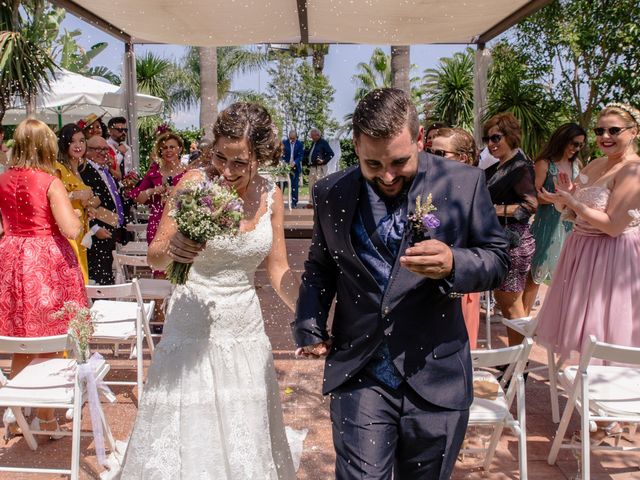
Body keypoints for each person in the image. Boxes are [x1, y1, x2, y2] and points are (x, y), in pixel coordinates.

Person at [294, 88, 509, 479]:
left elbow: (498, 259)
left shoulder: (465, 183)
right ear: (355, 145)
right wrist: (309, 324)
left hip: (437, 372)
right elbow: (320, 266)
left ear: (420, 138)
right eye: (371, 163)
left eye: (399, 161)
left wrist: (454, 263)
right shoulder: (329, 192)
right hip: (361, 369)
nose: (387, 176)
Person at [118, 102, 300, 479]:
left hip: (244, 327)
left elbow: (278, 267)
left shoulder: (272, 195)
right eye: (221, 157)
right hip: (192, 320)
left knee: (243, 424)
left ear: (261, 158)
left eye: (240, 162)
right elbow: (156, 251)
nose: (227, 171)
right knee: (190, 422)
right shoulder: (194, 181)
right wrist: (176, 246)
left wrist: (308, 311)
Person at [0, 119, 87, 439]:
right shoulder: (50, 182)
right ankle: (46, 419)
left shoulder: (3, 179)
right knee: (49, 340)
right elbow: (71, 229)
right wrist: (76, 215)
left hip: (10, 258)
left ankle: (18, 409)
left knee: (20, 339)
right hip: (45, 263)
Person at [536, 103, 640, 355]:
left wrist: (574, 203)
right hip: (581, 250)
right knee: (579, 327)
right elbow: (573, 213)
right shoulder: (594, 165)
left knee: (603, 326)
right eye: (599, 131)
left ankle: (601, 388)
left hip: (611, 256)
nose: (605, 137)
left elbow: (614, 226)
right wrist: (566, 199)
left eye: (614, 130)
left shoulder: (633, 170)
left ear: (634, 132)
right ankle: (580, 386)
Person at [483, 112, 538, 347]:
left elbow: (530, 205)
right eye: (488, 139)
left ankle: (519, 364)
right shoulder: (498, 167)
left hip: (515, 244)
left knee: (512, 306)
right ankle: (516, 361)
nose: (491, 144)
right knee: (505, 303)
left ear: (511, 136)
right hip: (502, 242)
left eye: (496, 138)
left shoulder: (520, 167)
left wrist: (492, 209)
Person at [522, 123, 586, 314]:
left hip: (568, 226)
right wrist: (551, 198)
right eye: (574, 143)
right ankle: (524, 327)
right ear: (562, 140)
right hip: (545, 225)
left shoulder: (577, 165)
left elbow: (579, 194)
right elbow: (532, 194)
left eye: (581, 145)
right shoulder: (544, 163)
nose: (576, 148)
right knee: (535, 277)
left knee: (566, 278)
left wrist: (570, 199)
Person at [431, 127, 481, 349]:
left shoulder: (474, 192)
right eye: (430, 152)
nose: (432, 159)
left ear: (462, 158)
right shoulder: (431, 185)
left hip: (460, 279)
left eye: (440, 154)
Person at [55, 123, 101, 283]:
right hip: (67, 234)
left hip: (81, 233)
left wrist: (88, 207)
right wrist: (77, 195)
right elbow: (52, 198)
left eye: (82, 141)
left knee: (81, 277)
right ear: (64, 143)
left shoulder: (79, 170)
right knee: (72, 278)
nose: (78, 145)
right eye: (72, 141)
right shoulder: (58, 168)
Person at [81, 135, 129, 285]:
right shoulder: (84, 170)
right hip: (97, 234)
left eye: (105, 149)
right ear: (87, 151)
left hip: (110, 229)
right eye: (97, 149)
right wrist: (94, 228)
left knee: (106, 274)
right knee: (99, 278)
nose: (102, 153)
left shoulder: (104, 170)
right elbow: (83, 205)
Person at [128, 132, 187, 246]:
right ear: (161, 151)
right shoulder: (154, 173)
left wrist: (177, 192)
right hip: (157, 223)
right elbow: (137, 198)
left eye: (172, 147)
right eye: (164, 148)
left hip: (182, 222)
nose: (168, 150)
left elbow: (198, 197)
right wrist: (152, 191)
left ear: (179, 149)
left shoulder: (188, 172)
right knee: (157, 260)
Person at [305, 127, 334, 207]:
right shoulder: (314, 143)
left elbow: (331, 154)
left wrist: (323, 161)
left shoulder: (323, 142)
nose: (311, 138)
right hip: (313, 167)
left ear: (317, 135)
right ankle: (311, 202)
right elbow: (310, 152)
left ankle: (320, 202)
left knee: (320, 185)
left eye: (313, 136)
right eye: (311, 136)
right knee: (311, 185)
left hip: (320, 168)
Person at [281, 130, 304, 208]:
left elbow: (300, 156)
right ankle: (280, 201)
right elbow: (281, 154)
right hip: (285, 168)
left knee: (294, 186)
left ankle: (294, 202)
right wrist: (284, 162)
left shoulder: (300, 144)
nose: (291, 140)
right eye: (290, 138)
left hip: (295, 168)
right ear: (288, 137)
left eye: (293, 138)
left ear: (296, 137)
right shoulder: (284, 143)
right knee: (282, 184)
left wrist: (294, 162)